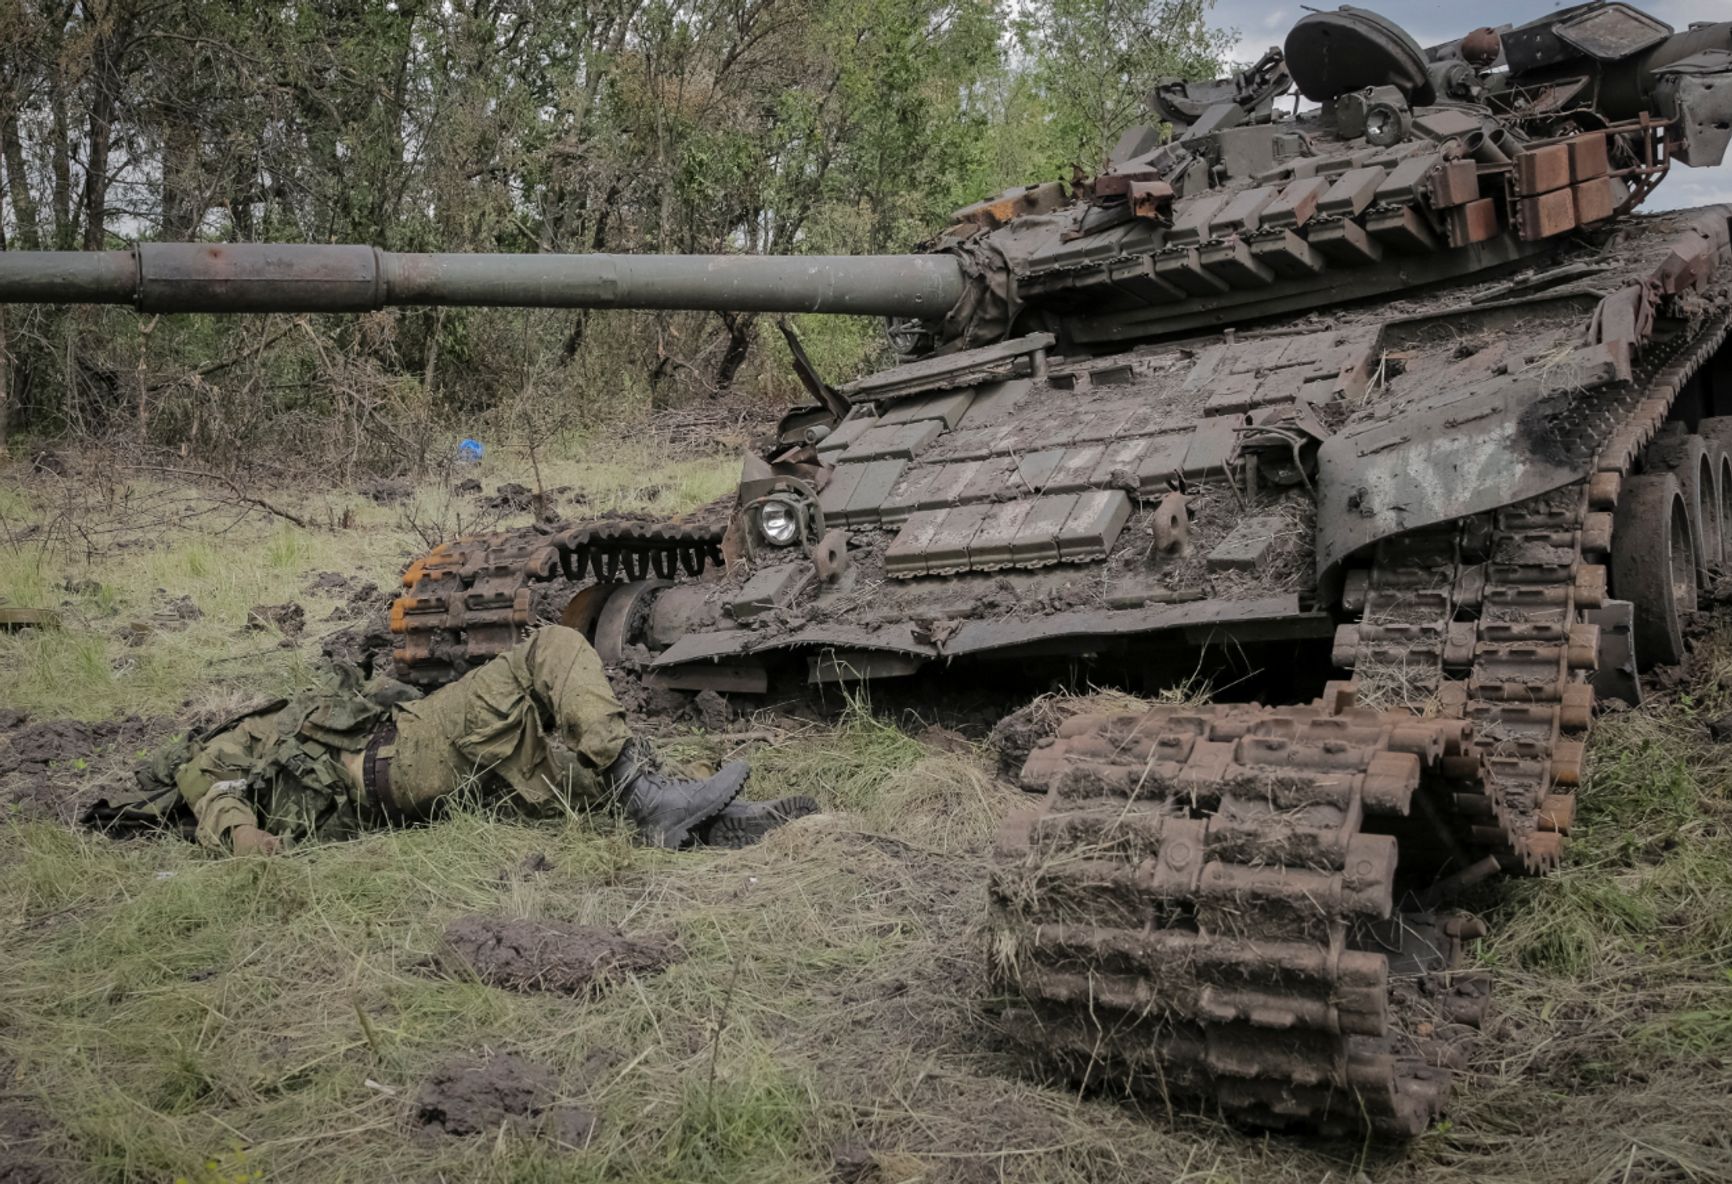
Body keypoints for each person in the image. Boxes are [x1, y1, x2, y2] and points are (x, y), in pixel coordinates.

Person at [87, 625, 813, 852]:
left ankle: (707, 821)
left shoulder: (285, 729)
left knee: (589, 788)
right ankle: (651, 793)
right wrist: (242, 836)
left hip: (434, 788)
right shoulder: (234, 743)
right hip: (406, 757)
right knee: (551, 647)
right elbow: (208, 786)